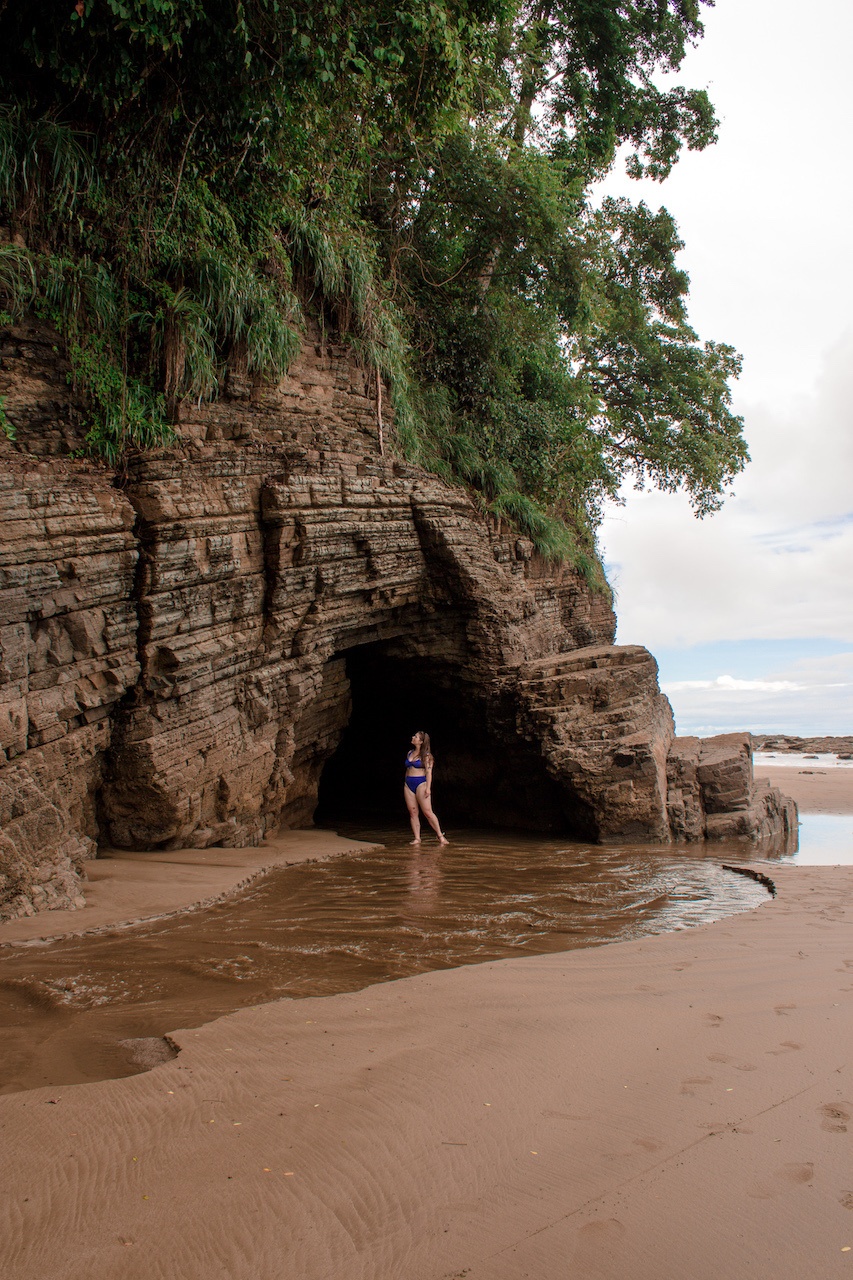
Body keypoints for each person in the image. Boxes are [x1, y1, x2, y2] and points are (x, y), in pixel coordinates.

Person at [403, 731, 448, 846]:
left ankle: (440, 835)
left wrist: (428, 788)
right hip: (409, 783)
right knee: (413, 812)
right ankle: (417, 838)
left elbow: (429, 772)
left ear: (421, 741)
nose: (413, 737)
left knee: (427, 812)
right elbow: (407, 770)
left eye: (416, 737)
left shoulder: (427, 756)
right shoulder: (409, 753)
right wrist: (406, 782)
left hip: (421, 783)